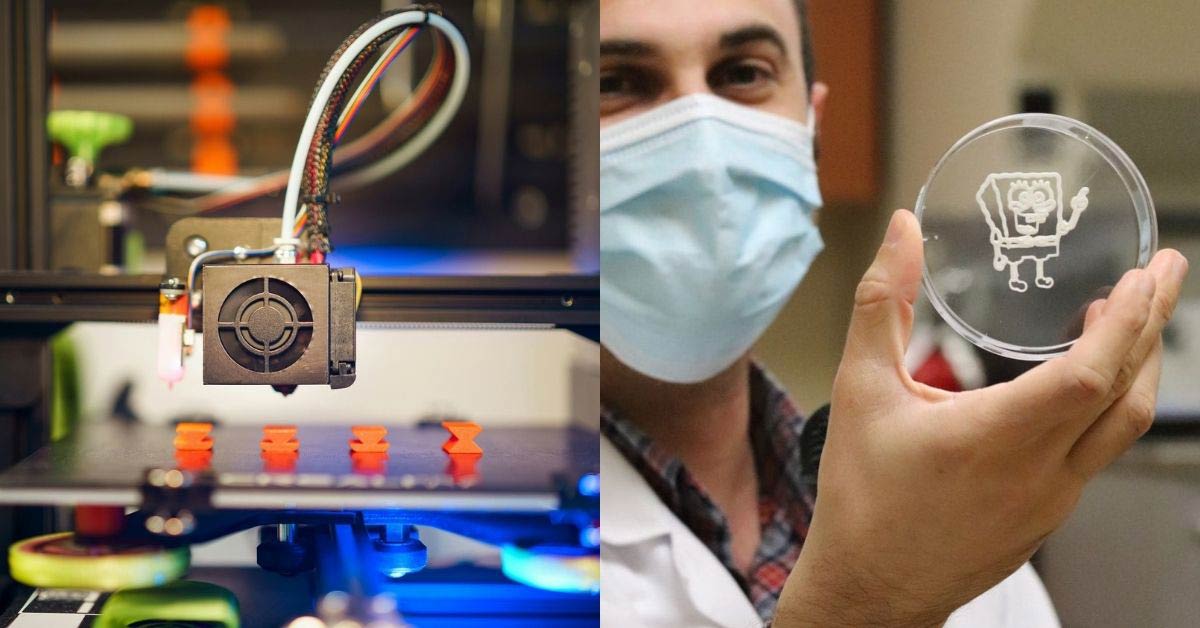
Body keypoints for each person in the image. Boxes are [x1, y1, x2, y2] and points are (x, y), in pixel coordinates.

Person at [597, 1, 1189, 626]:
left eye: (743, 73)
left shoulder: (946, 524)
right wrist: (870, 603)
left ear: (811, 129)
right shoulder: (492, 536)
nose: (703, 147)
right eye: (613, 83)